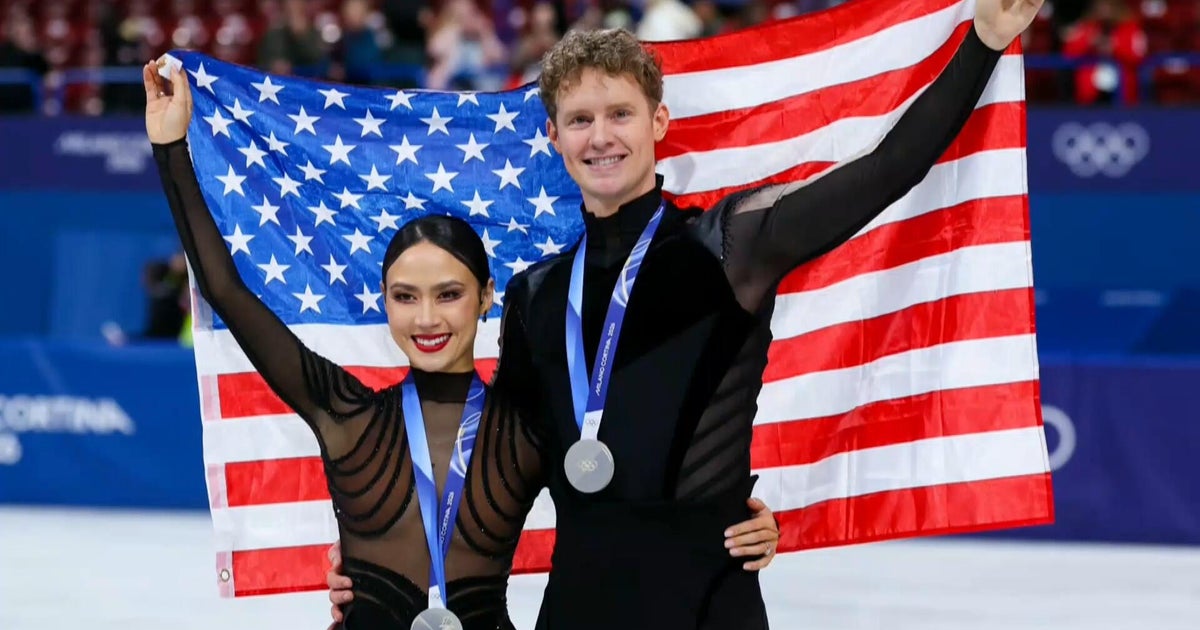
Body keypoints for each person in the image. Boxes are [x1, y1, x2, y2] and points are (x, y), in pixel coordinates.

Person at [337, 2, 1043, 628]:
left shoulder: (731, 247)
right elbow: (494, 478)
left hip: (710, 604)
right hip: (580, 608)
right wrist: (378, 571)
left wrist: (982, 43)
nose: (600, 136)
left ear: (659, 122)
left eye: (620, 114)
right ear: (554, 136)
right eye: (580, 120)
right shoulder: (535, 297)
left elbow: (886, 170)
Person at [143, 61, 780, 630]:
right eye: (405, 296)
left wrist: (731, 514)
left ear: (485, 298)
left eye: (448, 294)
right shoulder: (346, 415)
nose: (427, 317)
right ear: (385, 304)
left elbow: (638, 482)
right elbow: (225, 290)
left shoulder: (527, 433)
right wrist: (171, 147)